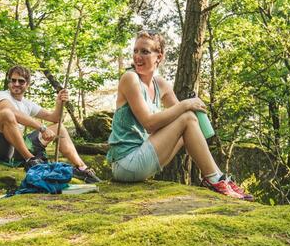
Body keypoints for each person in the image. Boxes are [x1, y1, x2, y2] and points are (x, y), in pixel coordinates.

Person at [106, 31, 253, 200]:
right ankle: (215, 180)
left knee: (189, 120)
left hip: (143, 158)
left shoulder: (160, 83)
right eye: (135, 51)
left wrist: (194, 107)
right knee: (187, 117)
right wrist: (186, 105)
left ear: (158, 57)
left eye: (145, 52)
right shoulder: (129, 78)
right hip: (126, 163)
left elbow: (185, 120)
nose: (137, 56)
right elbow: (149, 123)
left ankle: (218, 178)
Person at [0, 65, 100, 183]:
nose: (16, 84)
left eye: (21, 81)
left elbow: (55, 119)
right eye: (13, 80)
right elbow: (12, 112)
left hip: (17, 146)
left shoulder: (27, 104)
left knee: (59, 128)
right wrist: (42, 128)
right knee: (6, 113)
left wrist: (59, 102)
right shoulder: (1, 95)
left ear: (27, 84)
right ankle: (30, 159)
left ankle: (82, 168)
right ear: (9, 82)